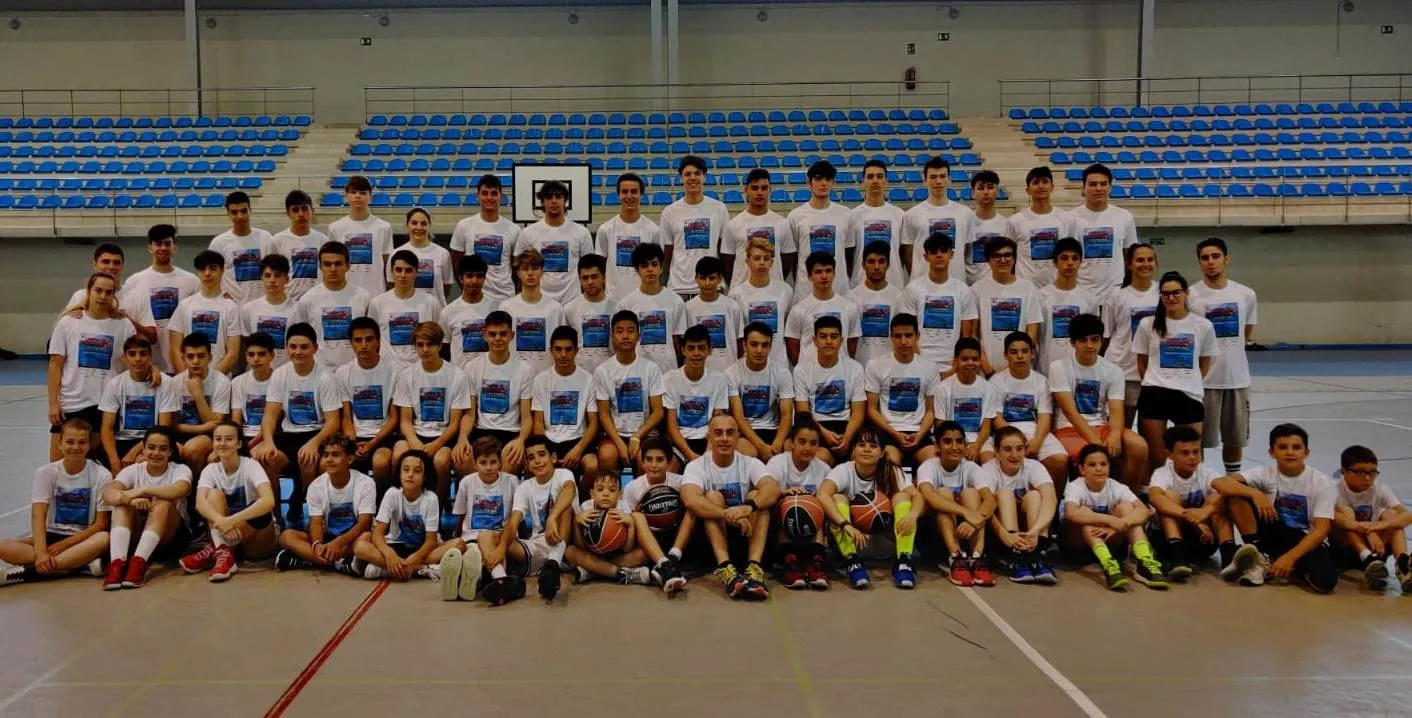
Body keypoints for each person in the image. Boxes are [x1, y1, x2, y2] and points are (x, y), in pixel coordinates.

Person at [1211, 424, 1338, 593]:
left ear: (1306, 452)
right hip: (1271, 529)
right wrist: (1255, 494)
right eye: (1283, 447)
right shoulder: (1265, 473)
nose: (1290, 452)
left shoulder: (1321, 483)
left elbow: (1321, 530)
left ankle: (1275, 563)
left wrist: (1290, 558)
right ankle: (1258, 555)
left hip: (1304, 537)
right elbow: (1219, 483)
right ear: (1271, 452)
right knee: (1235, 494)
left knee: (1325, 583)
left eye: (1296, 447)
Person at [0, 418, 111, 589]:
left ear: (90, 445)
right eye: (70, 442)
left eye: (82, 442)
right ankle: (79, 566)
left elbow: (101, 524)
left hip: (82, 538)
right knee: (3, 546)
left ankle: (23, 573)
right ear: (59, 443)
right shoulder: (45, 473)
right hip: (51, 536)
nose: (75, 447)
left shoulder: (102, 475)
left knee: (104, 538)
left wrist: (65, 544)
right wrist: (42, 551)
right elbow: (38, 515)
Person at [680, 414, 781, 600]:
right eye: (718, 433)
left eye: (730, 433)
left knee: (757, 497)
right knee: (712, 497)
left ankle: (754, 568)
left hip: (748, 534)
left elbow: (773, 488)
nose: (725, 438)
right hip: (715, 538)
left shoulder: (750, 463)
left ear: (738, 437)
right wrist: (727, 514)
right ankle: (726, 569)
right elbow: (690, 499)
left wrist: (748, 508)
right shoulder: (697, 466)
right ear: (708, 437)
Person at [252, 322, 341, 522]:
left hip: (317, 434)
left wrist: (314, 443)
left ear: (315, 349)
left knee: (307, 460)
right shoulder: (280, 374)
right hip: (289, 435)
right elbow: (270, 415)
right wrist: (268, 442)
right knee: (266, 460)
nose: (298, 352)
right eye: (293, 347)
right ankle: (274, 520)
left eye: (304, 347)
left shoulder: (325, 377)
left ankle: (310, 512)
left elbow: (333, 422)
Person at [1049, 314, 1148, 487]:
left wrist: (1115, 434)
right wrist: (1095, 442)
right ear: (1073, 343)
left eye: (1095, 340)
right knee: (1093, 457)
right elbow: (1070, 412)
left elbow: (1117, 410)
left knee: (1139, 446)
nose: (1089, 345)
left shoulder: (1114, 371)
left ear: (1102, 341)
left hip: (1102, 427)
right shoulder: (1059, 367)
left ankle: (1128, 497)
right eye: (1083, 340)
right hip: (1069, 428)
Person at [1134, 271, 1219, 471]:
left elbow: (1204, 365)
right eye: (1166, 294)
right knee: (1157, 456)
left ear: (1186, 293)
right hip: (1154, 393)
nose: (1171, 298)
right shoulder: (1148, 324)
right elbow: (1141, 363)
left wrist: (1186, 381)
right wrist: (1157, 381)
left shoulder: (1203, 326)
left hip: (1188, 396)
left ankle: (1191, 494)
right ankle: (1154, 496)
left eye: (1176, 293)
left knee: (1190, 455)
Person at [817, 428, 922, 589]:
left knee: (903, 497)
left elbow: (918, 496)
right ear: (853, 451)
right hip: (852, 540)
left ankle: (904, 561)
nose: (866, 449)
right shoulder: (844, 470)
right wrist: (846, 524)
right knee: (837, 498)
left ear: (881, 453)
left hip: (885, 541)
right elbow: (822, 493)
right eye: (861, 445)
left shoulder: (891, 470)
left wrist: (913, 515)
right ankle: (852, 562)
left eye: (873, 446)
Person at [1188, 237, 1259, 475]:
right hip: (1203, 382)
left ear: (1226, 259)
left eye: (1215, 256)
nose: (1210, 262)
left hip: (1237, 378)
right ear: (1199, 262)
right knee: (1198, 442)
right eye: (1205, 258)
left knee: (1235, 439)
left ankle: (1233, 482)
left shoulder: (1245, 294)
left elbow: (1246, 332)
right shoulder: (1191, 296)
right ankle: (1199, 485)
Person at [49, 272, 135, 461]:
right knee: (59, 465)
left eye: (108, 292)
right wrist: (53, 403)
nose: (103, 296)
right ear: (88, 291)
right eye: (98, 290)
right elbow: (55, 365)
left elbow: (135, 362)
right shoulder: (68, 322)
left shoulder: (124, 325)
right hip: (72, 402)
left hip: (106, 405)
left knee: (98, 467)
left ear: (114, 295)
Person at [178, 421, 278, 582]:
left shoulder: (251, 465)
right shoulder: (210, 470)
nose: (222, 443)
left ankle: (216, 549)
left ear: (239, 444)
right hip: (225, 532)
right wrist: (221, 520)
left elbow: (269, 501)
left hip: (255, 541)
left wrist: (230, 521)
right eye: (218, 439)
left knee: (261, 507)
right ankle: (223, 553)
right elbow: (199, 503)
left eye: (229, 439)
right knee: (212, 495)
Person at [1062, 444, 1170, 590]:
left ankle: (1145, 562)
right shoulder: (1076, 487)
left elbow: (1143, 510)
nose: (1099, 468)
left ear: (1109, 467)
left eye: (1103, 464)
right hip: (1079, 547)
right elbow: (1071, 513)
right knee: (1084, 511)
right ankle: (1108, 564)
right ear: (1082, 469)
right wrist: (1110, 521)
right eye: (1092, 465)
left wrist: (1122, 523)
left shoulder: (1117, 487)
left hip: (1111, 543)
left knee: (1127, 508)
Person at [101, 427, 192, 590]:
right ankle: (117, 564)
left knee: (162, 504)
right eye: (151, 447)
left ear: (171, 452)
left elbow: (180, 489)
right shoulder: (132, 471)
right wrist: (128, 499)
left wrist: (144, 490)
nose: (156, 453)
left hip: (170, 538)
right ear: (143, 450)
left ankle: (138, 564)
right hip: (137, 534)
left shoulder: (180, 470)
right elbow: (108, 493)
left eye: (163, 449)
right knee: (122, 504)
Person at [392, 322, 471, 506]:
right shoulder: (407, 375)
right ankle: (401, 509)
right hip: (416, 435)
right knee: (398, 455)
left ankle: (437, 508)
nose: (425, 350)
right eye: (420, 345)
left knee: (441, 460)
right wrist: (414, 441)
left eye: (430, 344)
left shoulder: (456, 375)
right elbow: (405, 420)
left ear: (439, 345)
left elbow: (454, 424)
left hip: (443, 436)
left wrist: (436, 444)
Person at [274, 434, 376, 575]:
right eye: (326, 455)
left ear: (350, 459)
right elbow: (315, 523)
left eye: (335, 455)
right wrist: (317, 545)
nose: (329, 460)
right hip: (328, 537)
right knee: (286, 536)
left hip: (352, 538)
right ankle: (338, 563)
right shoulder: (316, 486)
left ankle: (308, 559)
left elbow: (364, 523)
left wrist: (338, 543)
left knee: (366, 539)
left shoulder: (365, 483)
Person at [439, 436, 519, 602]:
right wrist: (458, 534)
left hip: (499, 538)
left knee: (493, 556)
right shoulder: (467, 482)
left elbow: (516, 516)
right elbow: (460, 514)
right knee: (474, 553)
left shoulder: (512, 482)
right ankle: (493, 579)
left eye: (493, 462)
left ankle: (475, 578)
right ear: (475, 464)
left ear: (500, 463)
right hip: (472, 537)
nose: (488, 467)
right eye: (483, 463)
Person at [916, 421, 994, 587]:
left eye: (959, 441)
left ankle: (977, 557)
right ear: (937, 446)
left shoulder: (971, 467)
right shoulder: (928, 467)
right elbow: (928, 495)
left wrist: (975, 519)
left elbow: (990, 500)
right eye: (947, 441)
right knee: (943, 493)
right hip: (934, 534)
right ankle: (955, 557)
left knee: (972, 493)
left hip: (967, 530)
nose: (954, 447)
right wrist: (966, 513)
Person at [352, 450, 449, 581]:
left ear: (425, 476)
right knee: (360, 546)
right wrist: (389, 554)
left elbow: (430, 541)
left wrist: (414, 559)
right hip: (396, 545)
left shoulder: (431, 498)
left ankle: (387, 568)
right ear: (399, 473)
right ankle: (420, 569)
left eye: (417, 471)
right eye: (406, 470)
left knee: (459, 544)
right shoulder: (392, 493)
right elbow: (378, 533)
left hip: (422, 550)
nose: (410, 475)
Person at [1148, 426, 1230, 581]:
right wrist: (1194, 520)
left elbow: (1226, 489)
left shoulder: (1206, 473)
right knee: (1169, 497)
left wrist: (1206, 511)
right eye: (1185, 453)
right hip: (1166, 540)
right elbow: (1155, 498)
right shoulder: (1162, 474)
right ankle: (1178, 559)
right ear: (1170, 455)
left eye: (1196, 451)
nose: (1192, 457)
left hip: (1203, 539)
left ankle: (1229, 555)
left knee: (1218, 497)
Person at [986, 332, 1069, 485]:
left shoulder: (1041, 381)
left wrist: (1037, 440)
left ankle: (1054, 505)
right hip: (1006, 432)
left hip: (1035, 432)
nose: (1019, 356)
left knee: (1060, 460)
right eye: (1014, 352)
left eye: (1024, 351)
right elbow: (996, 417)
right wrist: (1016, 440)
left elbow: (1045, 416)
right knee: (988, 457)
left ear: (1032, 354)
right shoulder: (996, 381)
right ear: (1005, 355)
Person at [565, 474, 674, 590]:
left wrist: (631, 524)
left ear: (619, 494)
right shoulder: (586, 507)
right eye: (600, 489)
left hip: (617, 556)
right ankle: (623, 575)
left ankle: (595, 570)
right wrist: (577, 523)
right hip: (593, 553)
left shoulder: (623, 507)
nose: (606, 494)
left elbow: (627, 549)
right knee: (570, 551)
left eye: (612, 490)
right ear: (592, 493)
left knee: (643, 554)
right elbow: (581, 546)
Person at [980, 426, 1058, 584]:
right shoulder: (987, 470)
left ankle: (1037, 555)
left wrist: (1035, 531)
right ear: (996, 451)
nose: (1014, 455)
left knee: (1036, 495)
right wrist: (1004, 534)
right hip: (1001, 534)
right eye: (1007, 449)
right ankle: (1015, 556)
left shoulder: (1034, 466)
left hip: (1031, 534)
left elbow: (1051, 498)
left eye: (1019, 449)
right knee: (1004, 493)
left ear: (1026, 449)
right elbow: (985, 510)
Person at [462, 310, 536, 477]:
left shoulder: (525, 370)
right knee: (461, 458)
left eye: (503, 334)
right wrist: (462, 439)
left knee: (512, 458)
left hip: (510, 432)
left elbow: (526, 417)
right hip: (481, 431)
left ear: (512, 335)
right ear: (485, 335)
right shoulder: (472, 367)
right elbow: (469, 414)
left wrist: (521, 441)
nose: (497, 339)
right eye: (492, 334)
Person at [593, 311, 666, 476]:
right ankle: (611, 499)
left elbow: (658, 412)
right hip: (615, 434)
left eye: (631, 330)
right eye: (619, 331)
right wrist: (619, 443)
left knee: (644, 458)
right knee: (607, 456)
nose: (625, 336)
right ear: (612, 336)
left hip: (645, 433)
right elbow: (604, 414)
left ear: (639, 336)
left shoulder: (651, 368)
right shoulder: (602, 371)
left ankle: (642, 499)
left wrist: (636, 437)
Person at [506, 436, 579, 601]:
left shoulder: (563, 474)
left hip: (567, 541)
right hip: (539, 542)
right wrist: (500, 547)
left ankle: (553, 563)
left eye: (541, 455)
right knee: (498, 538)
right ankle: (500, 579)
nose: (537, 461)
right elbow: (514, 521)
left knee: (564, 506)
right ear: (527, 464)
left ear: (553, 458)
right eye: (531, 458)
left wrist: (552, 518)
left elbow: (569, 489)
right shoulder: (524, 487)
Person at [1332, 444, 1412, 592]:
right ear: (1344, 472)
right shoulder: (1333, 489)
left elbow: (1407, 515)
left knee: (1392, 515)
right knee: (1345, 512)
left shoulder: (1380, 489)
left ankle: (1402, 564)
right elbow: (1331, 518)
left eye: (1372, 472)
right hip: (1346, 549)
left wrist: (1377, 527)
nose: (1368, 478)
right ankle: (1366, 556)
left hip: (1377, 547)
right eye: (1360, 472)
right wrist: (1369, 531)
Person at [122, 224, 200, 374]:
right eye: (158, 244)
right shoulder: (134, 282)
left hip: (184, 364)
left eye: (167, 243)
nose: (163, 248)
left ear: (174, 247)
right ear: (150, 247)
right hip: (149, 365)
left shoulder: (192, 281)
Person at [864, 313, 939, 466]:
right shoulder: (875, 365)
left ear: (917, 336)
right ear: (891, 337)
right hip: (889, 431)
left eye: (908, 335)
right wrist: (895, 434)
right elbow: (871, 409)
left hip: (919, 432)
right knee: (890, 463)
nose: (903, 341)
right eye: (898, 336)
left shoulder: (930, 367)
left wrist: (919, 435)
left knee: (934, 463)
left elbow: (931, 410)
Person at [333, 317, 399, 486]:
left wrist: (371, 444)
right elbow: (346, 418)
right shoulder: (342, 373)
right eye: (358, 340)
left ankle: (381, 501)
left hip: (383, 437)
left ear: (378, 342)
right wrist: (354, 444)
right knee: (339, 461)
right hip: (355, 437)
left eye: (369, 339)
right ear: (351, 343)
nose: (363, 345)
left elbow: (393, 418)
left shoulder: (395, 371)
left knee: (380, 462)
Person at [531, 326, 600, 488]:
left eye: (568, 349)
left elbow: (593, 424)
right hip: (550, 440)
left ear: (576, 351)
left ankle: (581, 499)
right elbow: (539, 422)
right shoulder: (540, 380)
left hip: (577, 439)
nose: (563, 355)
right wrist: (546, 451)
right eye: (558, 349)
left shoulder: (588, 380)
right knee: (532, 465)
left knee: (592, 465)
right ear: (551, 351)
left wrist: (578, 450)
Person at [765, 423, 832, 589]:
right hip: (780, 527)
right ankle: (790, 562)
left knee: (817, 506)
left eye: (813, 443)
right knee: (790, 505)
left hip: (811, 529)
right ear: (791, 443)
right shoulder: (777, 463)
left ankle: (816, 561)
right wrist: (785, 492)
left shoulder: (823, 469)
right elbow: (764, 492)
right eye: (802, 442)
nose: (807, 448)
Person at [899, 232, 978, 373]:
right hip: (919, 364)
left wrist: (955, 368)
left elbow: (967, 337)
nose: (939, 255)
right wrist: (919, 365)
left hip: (953, 366)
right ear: (926, 257)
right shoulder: (913, 289)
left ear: (951, 254)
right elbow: (906, 332)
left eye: (943, 250)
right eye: (934, 252)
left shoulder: (963, 290)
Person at [619, 438, 690, 592]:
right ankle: (665, 565)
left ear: (669, 462)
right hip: (650, 537)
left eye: (659, 459)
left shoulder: (681, 482)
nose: (654, 464)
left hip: (676, 535)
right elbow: (626, 524)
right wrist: (633, 516)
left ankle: (670, 559)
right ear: (642, 463)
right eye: (649, 460)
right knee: (636, 520)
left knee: (693, 507)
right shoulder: (632, 487)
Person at [793, 316, 866, 464]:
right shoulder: (801, 370)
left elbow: (858, 412)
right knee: (819, 458)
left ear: (841, 340)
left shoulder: (855, 368)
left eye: (834, 336)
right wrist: (823, 433)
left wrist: (847, 437)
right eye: (823, 336)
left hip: (846, 426)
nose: (828, 341)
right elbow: (803, 412)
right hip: (815, 425)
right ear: (814, 340)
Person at [1101, 243, 1158, 429]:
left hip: (1153, 374)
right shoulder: (1117, 294)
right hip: (1123, 371)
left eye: (1150, 259)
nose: (1145, 264)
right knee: (1120, 432)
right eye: (1140, 259)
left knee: (1150, 437)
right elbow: (1106, 335)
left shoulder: (1163, 293)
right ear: (1129, 264)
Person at [660, 155, 731, 301]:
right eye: (687, 174)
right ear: (681, 178)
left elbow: (724, 250)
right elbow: (667, 252)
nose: (693, 177)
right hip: (679, 287)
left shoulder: (719, 209)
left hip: (711, 285)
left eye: (697, 173)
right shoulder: (669, 212)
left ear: (704, 177)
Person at [98, 336, 173, 471]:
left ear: (151, 357)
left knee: (141, 463)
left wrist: (134, 452)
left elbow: (164, 427)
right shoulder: (115, 384)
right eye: (132, 354)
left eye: (143, 354)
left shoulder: (166, 383)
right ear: (124, 358)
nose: (138, 359)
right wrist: (114, 461)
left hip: (154, 441)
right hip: (122, 441)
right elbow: (106, 428)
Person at [293, 241, 372, 370]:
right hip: (320, 370)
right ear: (320, 267)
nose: (333, 269)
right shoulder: (307, 300)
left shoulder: (363, 297)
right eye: (328, 264)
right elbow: (302, 339)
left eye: (338, 264)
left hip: (355, 369)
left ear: (348, 265)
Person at [971, 237, 1043, 375]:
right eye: (996, 256)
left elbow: (1032, 331)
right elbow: (973, 334)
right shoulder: (977, 290)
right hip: (987, 371)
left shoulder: (1029, 289)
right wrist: (987, 369)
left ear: (1015, 258)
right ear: (988, 260)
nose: (1003, 260)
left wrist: (1015, 365)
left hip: (1020, 370)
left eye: (1007, 255)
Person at [514, 180, 595, 303]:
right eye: (549, 197)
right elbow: (518, 267)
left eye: (558, 196)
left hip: (572, 300)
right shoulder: (528, 233)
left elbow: (589, 268)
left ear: (565, 200)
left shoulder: (581, 233)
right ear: (542, 202)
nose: (554, 201)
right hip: (540, 301)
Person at [1069, 164, 1139, 305]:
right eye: (1093, 184)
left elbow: (1130, 255)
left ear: (1110, 187)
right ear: (1083, 188)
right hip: (1081, 293)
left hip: (1115, 294)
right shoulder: (1070, 218)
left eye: (1103, 184)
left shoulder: (1124, 217)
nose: (1099, 188)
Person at [787, 160, 855, 299]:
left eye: (828, 179)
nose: (823, 183)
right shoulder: (795, 216)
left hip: (839, 291)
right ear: (809, 183)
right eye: (818, 178)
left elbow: (849, 253)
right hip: (806, 292)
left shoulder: (846, 214)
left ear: (833, 183)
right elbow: (793, 257)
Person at [726, 322, 794, 461]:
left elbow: (787, 416)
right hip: (744, 432)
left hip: (773, 430)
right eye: (754, 344)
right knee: (751, 454)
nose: (759, 350)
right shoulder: (731, 373)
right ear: (744, 345)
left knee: (789, 450)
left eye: (764, 345)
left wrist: (777, 443)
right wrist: (761, 447)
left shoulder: (782, 373)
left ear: (770, 347)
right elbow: (738, 417)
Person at [663, 325, 731, 464]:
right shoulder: (669, 379)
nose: (696, 353)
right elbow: (671, 427)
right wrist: (690, 456)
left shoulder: (719, 380)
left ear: (709, 350)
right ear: (683, 350)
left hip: (709, 441)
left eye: (701, 348)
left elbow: (718, 420)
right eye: (691, 348)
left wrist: (708, 452)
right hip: (679, 442)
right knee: (670, 468)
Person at [168, 250, 242, 376]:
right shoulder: (185, 306)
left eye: (212, 268)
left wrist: (212, 380)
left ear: (222, 270)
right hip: (188, 381)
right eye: (202, 269)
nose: (207, 273)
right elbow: (175, 349)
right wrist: (186, 378)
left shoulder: (231, 308)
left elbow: (233, 353)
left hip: (219, 381)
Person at [616, 243, 688, 373]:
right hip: (637, 371)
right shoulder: (625, 304)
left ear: (661, 268)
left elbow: (678, 341)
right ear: (637, 270)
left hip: (668, 371)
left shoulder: (676, 301)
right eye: (644, 266)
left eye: (654, 264)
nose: (650, 269)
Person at [449, 174, 520, 304]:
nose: (489, 197)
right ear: (478, 196)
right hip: (474, 297)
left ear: (501, 196)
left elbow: (516, 267)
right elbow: (456, 262)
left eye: (493, 193)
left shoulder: (513, 229)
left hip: (504, 297)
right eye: (485, 193)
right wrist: (466, 288)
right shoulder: (464, 225)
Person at [367, 249, 443, 371]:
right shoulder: (377, 303)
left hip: (421, 369)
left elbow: (437, 338)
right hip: (388, 370)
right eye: (398, 270)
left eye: (408, 270)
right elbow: (373, 340)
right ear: (391, 272)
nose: (403, 275)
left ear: (416, 273)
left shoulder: (431, 303)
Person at [902, 156, 974, 280]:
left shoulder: (965, 213)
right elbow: (907, 254)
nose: (938, 181)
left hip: (956, 283)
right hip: (922, 285)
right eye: (933, 177)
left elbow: (966, 250)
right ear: (925, 180)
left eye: (942, 176)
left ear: (949, 179)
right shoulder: (911, 214)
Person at [721, 168, 796, 287]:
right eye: (755, 188)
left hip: (773, 292)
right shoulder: (733, 225)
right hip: (742, 292)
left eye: (764, 188)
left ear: (770, 190)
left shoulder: (782, 223)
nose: (759, 192)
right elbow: (726, 263)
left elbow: (787, 261)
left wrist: (774, 281)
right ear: (746, 190)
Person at [595, 172, 665, 299]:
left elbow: (657, 267)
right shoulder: (605, 229)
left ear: (641, 194)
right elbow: (599, 267)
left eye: (634, 191)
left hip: (644, 299)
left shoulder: (653, 230)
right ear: (618, 195)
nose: (629, 196)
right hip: (613, 300)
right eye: (624, 192)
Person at [498, 248, 568, 375]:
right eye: (525, 268)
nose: (530, 273)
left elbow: (561, 346)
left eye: (535, 268)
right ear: (518, 273)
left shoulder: (555, 309)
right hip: (514, 376)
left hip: (546, 378)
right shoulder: (506, 308)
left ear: (542, 271)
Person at [783, 251, 861, 364]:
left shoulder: (849, 307)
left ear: (834, 274)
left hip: (840, 374)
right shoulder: (798, 310)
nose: (824, 276)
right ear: (810, 276)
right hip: (809, 376)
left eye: (828, 271)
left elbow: (851, 344)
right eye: (818, 272)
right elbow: (793, 348)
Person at [729, 237, 794, 368]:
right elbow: (737, 336)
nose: (762, 262)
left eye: (766, 258)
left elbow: (788, 327)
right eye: (757, 258)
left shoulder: (785, 291)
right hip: (749, 365)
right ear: (748, 261)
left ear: (772, 262)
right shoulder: (736, 294)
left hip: (779, 364)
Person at [326, 175, 394, 298]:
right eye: (353, 192)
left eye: (363, 193)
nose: (358, 196)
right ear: (346, 196)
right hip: (345, 294)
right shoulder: (335, 228)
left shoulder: (384, 227)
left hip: (376, 293)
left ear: (370, 197)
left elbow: (387, 263)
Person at [169, 333, 231, 469]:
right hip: (180, 434)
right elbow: (170, 425)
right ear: (183, 358)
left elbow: (216, 425)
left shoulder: (222, 382)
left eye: (201, 356)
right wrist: (201, 427)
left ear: (210, 358)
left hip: (209, 436)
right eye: (190, 356)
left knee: (192, 449)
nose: (195, 361)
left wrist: (197, 394)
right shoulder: (174, 383)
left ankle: (195, 488)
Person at [933, 337, 998, 463]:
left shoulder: (989, 388)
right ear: (955, 361)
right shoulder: (943, 388)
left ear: (980, 361)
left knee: (989, 461)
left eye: (974, 359)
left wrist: (976, 446)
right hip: (952, 439)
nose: (970, 363)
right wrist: (957, 446)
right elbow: (940, 425)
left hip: (980, 440)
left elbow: (986, 427)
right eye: (964, 359)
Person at [1006, 166, 1073, 287]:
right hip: (1026, 289)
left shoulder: (1066, 219)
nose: (1041, 186)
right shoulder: (1015, 221)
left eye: (1045, 182)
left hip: (1056, 289)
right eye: (1036, 182)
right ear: (1028, 190)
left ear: (1052, 187)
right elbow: (1009, 256)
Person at [208, 190, 276, 305]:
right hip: (232, 307)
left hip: (262, 306)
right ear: (228, 214)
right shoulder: (218, 243)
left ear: (250, 210)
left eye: (244, 211)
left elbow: (275, 270)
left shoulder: (266, 237)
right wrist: (222, 294)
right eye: (234, 212)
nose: (239, 216)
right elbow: (209, 275)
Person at [1038, 237, 1097, 368]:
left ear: (1081, 262)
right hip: (1047, 369)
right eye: (1064, 258)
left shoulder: (1090, 298)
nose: (1070, 263)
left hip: (1079, 369)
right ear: (1055, 262)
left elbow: (1093, 338)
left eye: (1075, 258)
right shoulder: (1040, 296)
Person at [848, 159, 906, 289]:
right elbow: (849, 256)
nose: (875, 181)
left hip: (893, 287)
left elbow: (902, 253)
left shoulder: (899, 214)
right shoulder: (852, 216)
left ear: (886, 181)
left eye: (879, 176)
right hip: (860, 287)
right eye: (870, 177)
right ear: (863, 182)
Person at [440, 254, 499, 371]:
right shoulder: (448, 312)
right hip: (459, 376)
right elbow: (444, 350)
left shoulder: (496, 307)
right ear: (461, 278)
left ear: (484, 278)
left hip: (489, 374)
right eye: (469, 276)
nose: (474, 281)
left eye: (479, 276)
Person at [229, 331, 279, 468]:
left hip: (271, 436)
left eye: (261, 354)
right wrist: (235, 444)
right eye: (251, 355)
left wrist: (247, 447)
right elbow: (236, 420)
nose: (256, 359)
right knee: (214, 458)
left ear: (272, 355)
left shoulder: (280, 380)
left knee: (257, 457)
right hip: (245, 436)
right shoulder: (238, 382)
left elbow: (276, 421)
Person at [684, 256, 743, 372]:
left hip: (728, 371)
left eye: (712, 278)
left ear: (720, 279)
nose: (707, 283)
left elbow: (739, 342)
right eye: (702, 278)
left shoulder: (732, 306)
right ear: (696, 278)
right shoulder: (687, 308)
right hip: (698, 373)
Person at [851, 241, 906, 365]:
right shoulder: (851, 297)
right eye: (871, 262)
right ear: (863, 265)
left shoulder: (899, 297)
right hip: (860, 366)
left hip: (890, 367)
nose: (876, 267)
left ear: (888, 265)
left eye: (881, 261)